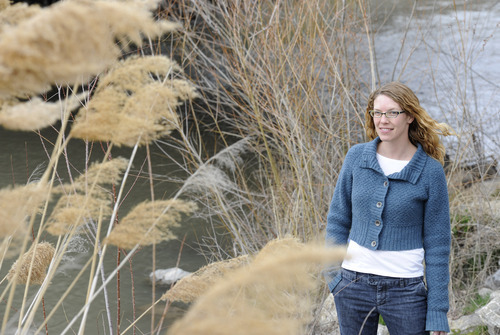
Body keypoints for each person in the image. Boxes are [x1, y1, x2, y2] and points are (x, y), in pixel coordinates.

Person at [325, 81, 454, 335]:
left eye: (392, 112)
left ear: (409, 117)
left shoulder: (430, 171)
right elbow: (338, 219)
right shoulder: (356, 158)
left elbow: (438, 245)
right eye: (377, 112)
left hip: (406, 290)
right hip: (352, 285)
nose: (382, 120)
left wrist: (437, 311)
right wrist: (333, 276)